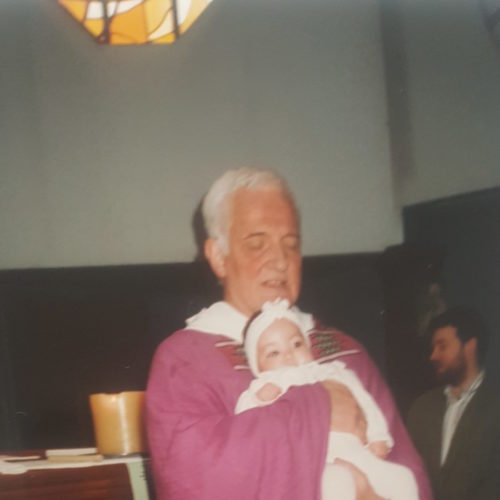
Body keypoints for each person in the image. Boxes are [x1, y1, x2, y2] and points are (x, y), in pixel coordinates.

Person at [146, 167, 432, 500]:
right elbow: (194, 478)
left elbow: (407, 470)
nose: (280, 261)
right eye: (257, 244)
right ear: (219, 257)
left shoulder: (344, 351)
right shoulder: (185, 362)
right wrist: (319, 410)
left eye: (291, 245)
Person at [236, 298, 419, 500]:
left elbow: (365, 401)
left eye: (296, 344)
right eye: (273, 353)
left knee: (403, 477)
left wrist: (378, 436)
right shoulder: (266, 384)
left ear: (308, 345)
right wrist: (259, 399)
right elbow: (246, 425)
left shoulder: (335, 372)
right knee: (337, 481)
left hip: (358, 451)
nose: (288, 355)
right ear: (258, 367)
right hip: (316, 461)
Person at [407, 306, 500, 500]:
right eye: (433, 348)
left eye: (442, 346)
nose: (433, 356)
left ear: (469, 347)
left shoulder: (494, 404)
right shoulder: (421, 408)